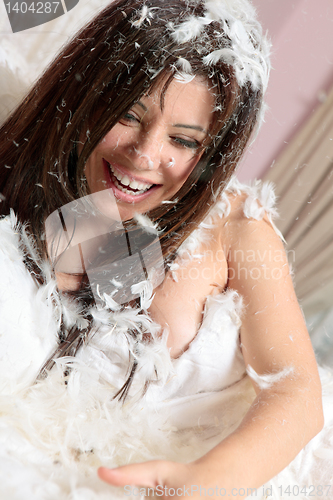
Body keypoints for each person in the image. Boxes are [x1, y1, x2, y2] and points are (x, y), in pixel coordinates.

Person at [0, 0, 332, 498]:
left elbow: (296, 393)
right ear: (85, 93)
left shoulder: (236, 227)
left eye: (183, 139)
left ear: (210, 152)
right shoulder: (24, 187)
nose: (146, 155)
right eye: (129, 115)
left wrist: (211, 480)